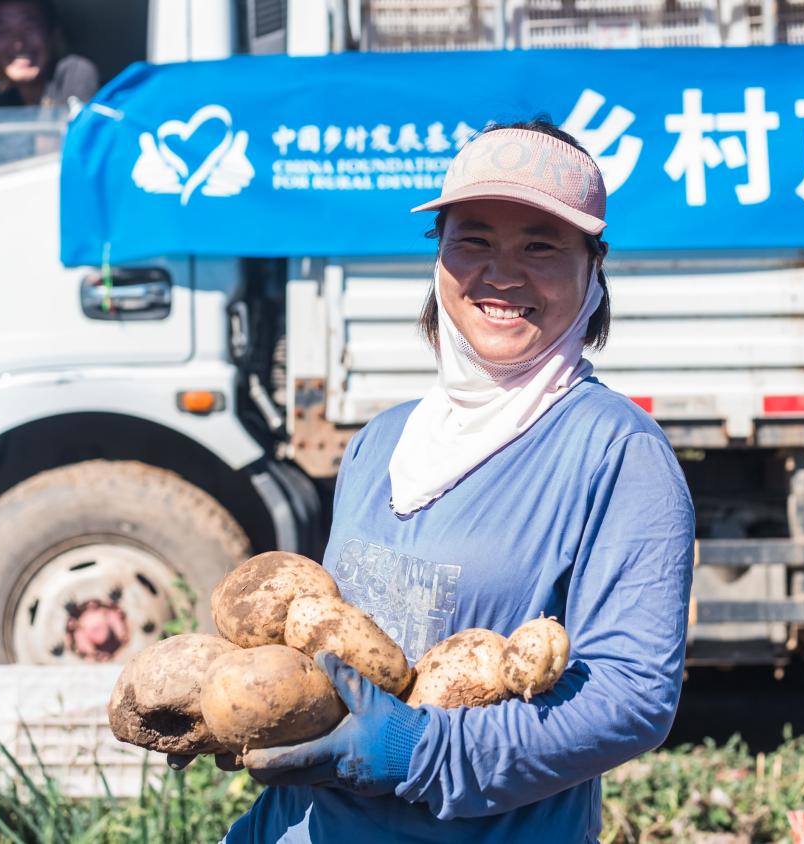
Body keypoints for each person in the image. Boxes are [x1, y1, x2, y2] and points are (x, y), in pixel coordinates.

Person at [220, 119, 696, 843]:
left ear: (592, 268)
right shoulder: (382, 441)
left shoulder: (616, 454)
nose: (502, 273)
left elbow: (629, 700)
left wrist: (416, 752)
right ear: (438, 257)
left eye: (540, 245)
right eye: (473, 240)